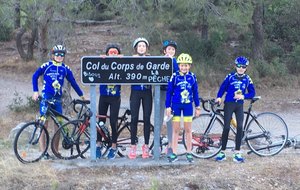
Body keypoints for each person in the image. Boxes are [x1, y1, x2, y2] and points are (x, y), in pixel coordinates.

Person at [32, 44, 85, 159]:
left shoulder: (65, 68)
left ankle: (55, 150)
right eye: (57, 54)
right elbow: (35, 76)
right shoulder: (46, 65)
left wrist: (82, 95)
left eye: (62, 54)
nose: (59, 56)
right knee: (43, 124)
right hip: (46, 98)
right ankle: (43, 152)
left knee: (59, 124)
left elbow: (73, 82)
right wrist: (35, 91)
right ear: (53, 55)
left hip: (57, 100)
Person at [215, 56, 256, 163]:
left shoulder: (247, 78)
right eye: (239, 66)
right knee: (226, 127)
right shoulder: (230, 76)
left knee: (240, 128)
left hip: (239, 106)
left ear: (246, 68)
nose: (241, 68)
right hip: (229, 104)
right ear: (235, 66)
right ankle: (222, 152)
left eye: (243, 67)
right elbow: (222, 87)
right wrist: (219, 97)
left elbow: (252, 93)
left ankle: (237, 153)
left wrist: (243, 96)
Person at [165, 53, 201, 163]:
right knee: (175, 130)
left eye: (186, 65)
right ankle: (174, 152)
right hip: (176, 105)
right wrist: (168, 106)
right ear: (179, 65)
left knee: (188, 130)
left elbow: (195, 93)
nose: (184, 67)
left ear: (189, 66)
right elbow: (169, 92)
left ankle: (189, 152)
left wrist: (198, 107)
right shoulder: (174, 76)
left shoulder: (192, 77)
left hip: (188, 106)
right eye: (181, 65)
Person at [96, 43, 122, 159]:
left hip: (115, 97)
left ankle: (114, 146)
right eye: (110, 52)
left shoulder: (121, 64)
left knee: (113, 121)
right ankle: (98, 144)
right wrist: (101, 60)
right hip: (103, 95)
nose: (112, 54)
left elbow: (131, 65)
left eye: (115, 53)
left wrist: (122, 59)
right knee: (100, 121)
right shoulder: (103, 63)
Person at [128, 37, 152, 159]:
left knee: (147, 118)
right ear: (136, 48)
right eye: (139, 46)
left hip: (147, 92)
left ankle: (146, 145)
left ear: (146, 48)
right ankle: (133, 145)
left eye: (143, 46)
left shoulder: (151, 60)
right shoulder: (132, 59)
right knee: (134, 118)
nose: (141, 48)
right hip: (135, 92)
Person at [159, 40, 179, 158]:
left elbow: (177, 73)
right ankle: (156, 145)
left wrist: (172, 61)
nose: (170, 51)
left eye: (173, 49)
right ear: (164, 51)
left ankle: (170, 145)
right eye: (168, 49)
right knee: (159, 119)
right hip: (160, 92)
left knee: (170, 120)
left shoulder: (175, 61)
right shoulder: (159, 61)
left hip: (171, 94)